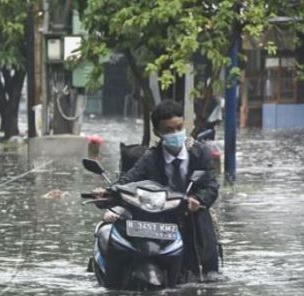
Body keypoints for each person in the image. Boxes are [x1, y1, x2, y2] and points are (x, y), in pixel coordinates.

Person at [93, 99, 220, 280]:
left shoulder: (200, 154)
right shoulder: (151, 158)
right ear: (157, 132)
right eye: (168, 130)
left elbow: (211, 186)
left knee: (207, 280)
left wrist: (197, 200)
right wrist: (108, 192)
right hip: (161, 224)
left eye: (179, 127)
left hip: (194, 224)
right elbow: (128, 180)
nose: (175, 133)